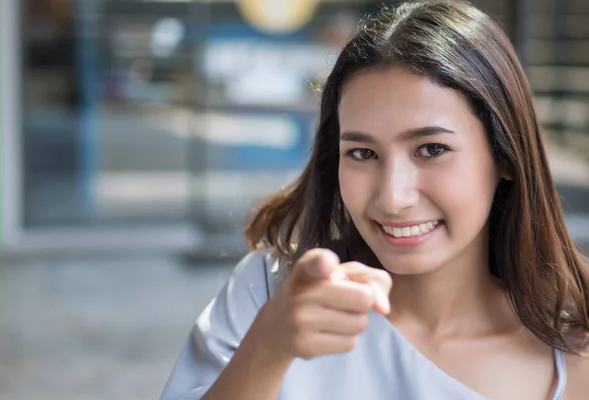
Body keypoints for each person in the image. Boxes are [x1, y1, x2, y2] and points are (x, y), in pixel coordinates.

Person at [160, 1, 589, 399]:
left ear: (505, 155)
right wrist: (268, 347)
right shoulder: (270, 295)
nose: (393, 197)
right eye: (363, 154)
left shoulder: (573, 355)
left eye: (432, 149)